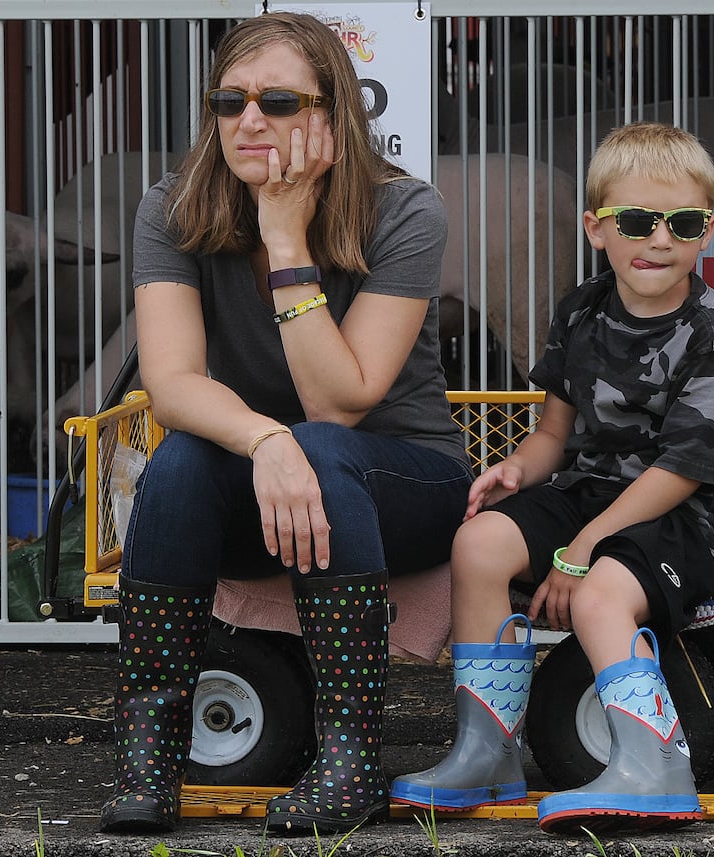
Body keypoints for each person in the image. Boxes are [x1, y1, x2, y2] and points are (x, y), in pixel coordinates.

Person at [98, 12, 472, 837]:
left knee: (323, 440)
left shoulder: (406, 210)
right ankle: (150, 754)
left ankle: (350, 757)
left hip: (402, 483)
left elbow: (339, 401)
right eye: (229, 101)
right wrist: (265, 439)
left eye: (276, 99)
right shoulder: (172, 208)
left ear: (332, 115)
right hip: (265, 480)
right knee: (182, 460)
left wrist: (282, 234)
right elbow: (171, 384)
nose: (249, 120)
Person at [391, 122, 714, 835]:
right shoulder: (580, 311)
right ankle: (485, 752)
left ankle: (656, 767)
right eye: (637, 221)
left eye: (681, 222)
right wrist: (515, 469)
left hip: (685, 513)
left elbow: (683, 467)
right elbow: (555, 433)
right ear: (596, 227)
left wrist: (581, 549)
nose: (658, 239)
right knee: (479, 546)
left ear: (706, 230)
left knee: (598, 597)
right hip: (593, 493)